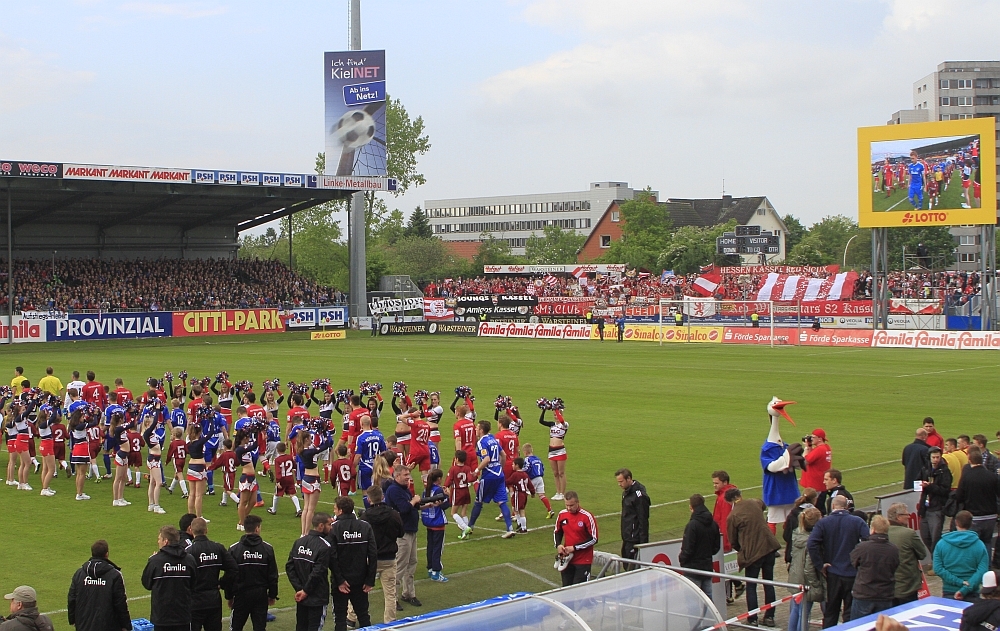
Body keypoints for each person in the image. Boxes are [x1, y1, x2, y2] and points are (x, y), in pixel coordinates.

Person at [808, 495, 871, 627]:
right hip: (852, 573)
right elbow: (868, 541)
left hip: (833, 573)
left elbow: (812, 543)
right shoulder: (857, 521)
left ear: (832, 506)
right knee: (850, 611)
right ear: (847, 506)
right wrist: (860, 561)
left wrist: (820, 565)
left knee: (831, 611)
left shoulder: (824, 522)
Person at [726, 487, 780, 628]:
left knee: (751, 586)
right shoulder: (754, 503)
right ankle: (769, 617)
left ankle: (753, 618)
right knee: (769, 583)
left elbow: (733, 540)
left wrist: (742, 548)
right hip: (769, 547)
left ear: (729, 502)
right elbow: (762, 504)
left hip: (752, 553)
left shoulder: (733, 516)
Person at [329, 496, 378, 631]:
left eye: (335, 508)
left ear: (340, 510)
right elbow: (373, 554)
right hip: (360, 580)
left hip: (340, 582)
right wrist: (370, 580)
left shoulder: (333, 528)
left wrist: (339, 581)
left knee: (340, 618)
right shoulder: (365, 526)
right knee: (363, 616)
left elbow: (331, 557)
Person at [462, 420, 516, 539]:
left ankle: (470, 526)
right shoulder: (493, 439)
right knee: (502, 502)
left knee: (478, 502)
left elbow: (486, 459)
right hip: (499, 475)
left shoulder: (482, 442)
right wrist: (500, 468)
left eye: (477, 428)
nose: (475, 430)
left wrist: (476, 471)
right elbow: (504, 455)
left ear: (481, 430)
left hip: (489, 476)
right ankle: (510, 528)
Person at [360, 484, 404, 623]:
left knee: (359, 590)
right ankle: (390, 621)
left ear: (369, 499)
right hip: (389, 558)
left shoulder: (365, 517)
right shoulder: (393, 514)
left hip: (369, 558)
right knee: (390, 593)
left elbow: (361, 538)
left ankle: (351, 616)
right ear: (383, 497)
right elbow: (401, 532)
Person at [226, 514, 279, 631]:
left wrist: (229, 596)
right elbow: (272, 575)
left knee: (236, 627)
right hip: (260, 595)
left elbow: (229, 576)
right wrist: (272, 595)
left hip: (240, 594)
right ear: (257, 528)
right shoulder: (267, 548)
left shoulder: (234, 549)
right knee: (260, 627)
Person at [141, 525, 197, 631]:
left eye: (159, 539)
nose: (158, 542)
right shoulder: (189, 560)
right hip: (183, 615)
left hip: (162, 617)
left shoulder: (155, 561)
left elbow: (146, 583)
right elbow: (194, 584)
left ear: (165, 541)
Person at [67, 540, 132, 631]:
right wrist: (126, 626)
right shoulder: (115, 575)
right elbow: (120, 604)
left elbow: (72, 598)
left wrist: (72, 619)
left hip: (83, 625)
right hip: (109, 626)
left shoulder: (79, 573)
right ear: (106, 554)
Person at [188, 517, 239, 631]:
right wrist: (221, 583)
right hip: (213, 599)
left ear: (191, 530)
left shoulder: (188, 552)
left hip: (195, 600)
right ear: (206, 530)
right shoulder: (217, 548)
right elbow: (233, 569)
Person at [286, 512, 333, 631]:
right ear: (321, 526)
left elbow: (290, 567)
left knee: (301, 627)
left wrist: (299, 589)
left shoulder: (299, 542)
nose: (331, 527)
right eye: (329, 524)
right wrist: (305, 591)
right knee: (314, 627)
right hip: (317, 596)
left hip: (301, 596)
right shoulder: (325, 546)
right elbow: (318, 573)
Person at [384, 465, 423, 609]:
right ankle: (392, 597)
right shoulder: (394, 490)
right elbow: (404, 508)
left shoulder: (403, 489)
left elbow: (411, 507)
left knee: (412, 563)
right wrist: (414, 500)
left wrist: (426, 504)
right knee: (400, 565)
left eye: (408, 474)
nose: (408, 477)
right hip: (402, 533)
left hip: (411, 530)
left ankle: (408, 593)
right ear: (397, 476)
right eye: (405, 475)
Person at [849, 515, 900, 619]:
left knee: (860, 626)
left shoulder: (862, 547)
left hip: (864, 594)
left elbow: (853, 562)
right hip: (885, 594)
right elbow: (895, 566)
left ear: (872, 529)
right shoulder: (893, 549)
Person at [934, 510, 989, 600]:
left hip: (949, 591)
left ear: (956, 522)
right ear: (971, 524)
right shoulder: (979, 545)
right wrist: (966, 588)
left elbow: (938, 569)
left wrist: (959, 582)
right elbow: (982, 570)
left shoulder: (941, 544)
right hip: (972, 591)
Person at [954, 446, 1000, 547]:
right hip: (990, 516)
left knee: (972, 544)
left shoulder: (967, 477)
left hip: (974, 516)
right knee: (987, 543)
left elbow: (959, 496)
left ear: (969, 460)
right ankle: (986, 563)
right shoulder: (992, 476)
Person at [787, 507, 824, 631]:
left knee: (796, 609)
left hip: (795, 575)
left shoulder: (797, 533)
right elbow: (809, 567)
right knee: (804, 613)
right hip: (806, 581)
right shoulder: (812, 542)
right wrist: (816, 585)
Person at [887, 502, 928, 606]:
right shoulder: (908, 533)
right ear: (898, 517)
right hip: (907, 586)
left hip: (887, 586)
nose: (909, 516)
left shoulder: (882, 532)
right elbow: (922, 554)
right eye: (906, 514)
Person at [554, 491, 598, 586]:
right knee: (566, 587)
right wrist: (558, 545)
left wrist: (574, 548)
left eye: (571, 505)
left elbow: (594, 539)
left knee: (579, 590)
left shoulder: (587, 516)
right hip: (567, 559)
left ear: (578, 502)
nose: (569, 508)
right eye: (567, 505)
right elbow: (557, 531)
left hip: (583, 560)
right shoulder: (562, 514)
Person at [680, 494, 721, 597]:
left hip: (693, 569)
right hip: (707, 566)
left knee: (693, 600)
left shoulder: (692, 525)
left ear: (691, 507)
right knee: (707, 599)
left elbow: (687, 548)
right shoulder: (713, 524)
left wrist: (683, 560)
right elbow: (716, 547)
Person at [711, 471, 743, 603]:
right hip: (728, 536)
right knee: (727, 565)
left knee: (724, 564)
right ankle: (737, 585)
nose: (714, 486)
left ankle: (728, 594)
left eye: (716, 483)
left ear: (725, 482)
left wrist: (724, 540)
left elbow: (724, 520)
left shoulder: (724, 498)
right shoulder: (730, 495)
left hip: (724, 537)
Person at [919, 446, 951, 557]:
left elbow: (945, 490)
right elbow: (916, 484)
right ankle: (937, 559)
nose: (936, 459)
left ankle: (937, 562)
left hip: (937, 508)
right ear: (930, 457)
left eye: (938, 457)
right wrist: (921, 485)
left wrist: (930, 486)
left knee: (935, 537)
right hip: (925, 507)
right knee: (925, 535)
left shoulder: (945, 471)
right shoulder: (925, 469)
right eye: (934, 457)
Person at [616, 468, 650, 564]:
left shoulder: (639, 496)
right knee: (626, 563)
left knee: (632, 566)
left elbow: (643, 519)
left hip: (635, 539)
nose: (619, 484)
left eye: (621, 481)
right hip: (627, 537)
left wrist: (643, 543)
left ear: (629, 478)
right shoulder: (626, 493)